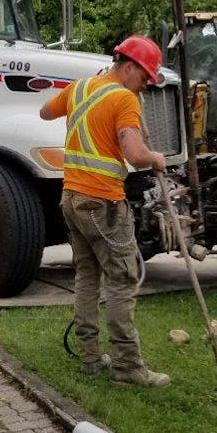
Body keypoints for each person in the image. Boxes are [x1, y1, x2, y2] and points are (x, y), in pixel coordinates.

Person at [39, 35, 171, 388]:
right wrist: (155, 158)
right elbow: (134, 154)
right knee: (122, 280)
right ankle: (128, 368)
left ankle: (91, 358)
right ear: (128, 68)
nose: (144, 88)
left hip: (71, 199)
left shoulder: (81, 88)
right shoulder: (124, 98)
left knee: (86, 277)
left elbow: (45, 111)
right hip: (104, 204)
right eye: (144, 79)